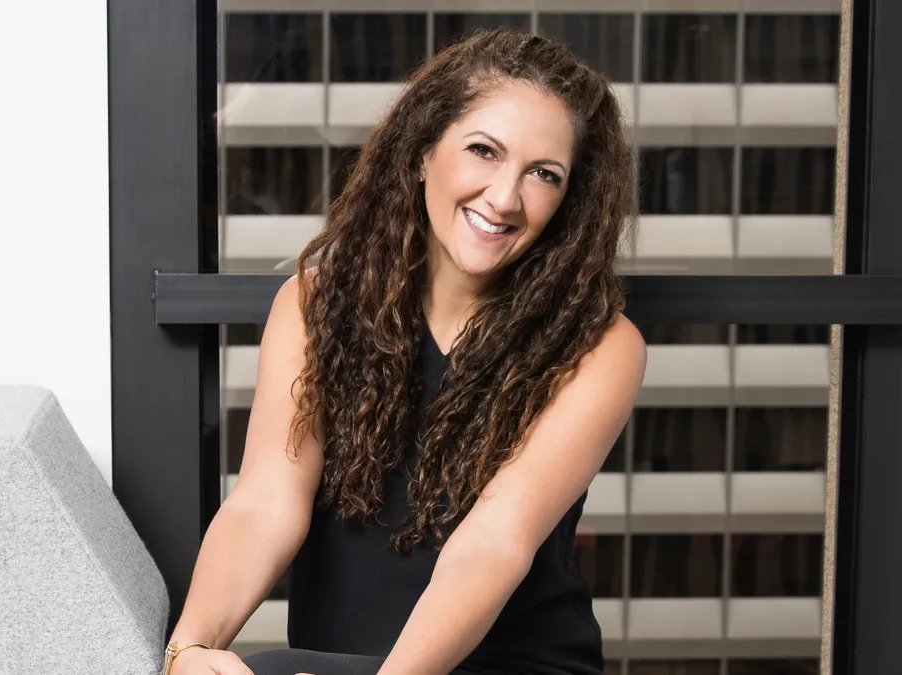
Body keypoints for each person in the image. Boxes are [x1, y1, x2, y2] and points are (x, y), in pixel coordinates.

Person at [163, 28, 646, 675]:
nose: (505, 197)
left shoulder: (599, 346)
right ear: (423, 152)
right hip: (334, 660)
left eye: (543, 175)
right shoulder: (313, 305)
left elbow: (494, 542)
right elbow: (266, 502)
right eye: (484, 151)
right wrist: (189, 648)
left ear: (568, 202)